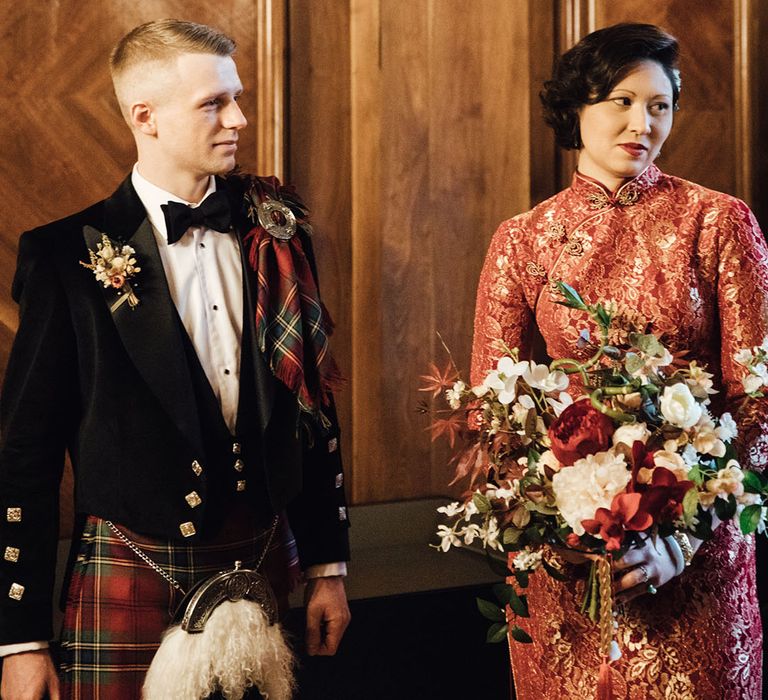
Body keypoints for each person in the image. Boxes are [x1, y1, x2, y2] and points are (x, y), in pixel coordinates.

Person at [0, 19, 351, 699]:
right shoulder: (64, 257)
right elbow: (26, 458)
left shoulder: (277, 232)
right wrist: (22, 639)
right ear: (146, 117)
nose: (239, 119)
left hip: (263, 560)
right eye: (214, 103)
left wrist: (327, 564)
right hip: (129, 568)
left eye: (237, 98)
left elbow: (313, 403)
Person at [472, 23, 766, 699]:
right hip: (564, 563)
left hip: (698, 558)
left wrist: (681, 539)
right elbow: (495, 413)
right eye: (622, 102)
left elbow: (760, 402)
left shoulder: (717, 222)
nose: (643, 123)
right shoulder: (522, 240)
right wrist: (556, 534)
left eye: (659, 106)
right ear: (578, 106)